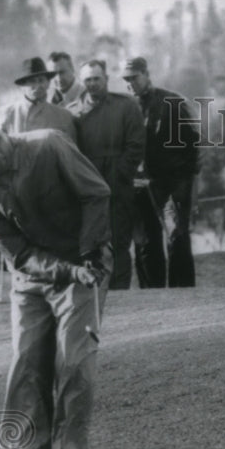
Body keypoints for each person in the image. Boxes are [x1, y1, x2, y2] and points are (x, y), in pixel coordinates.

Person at [0, 108, 112, 449]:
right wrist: (65, 270)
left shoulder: (49, 144)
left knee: (74, 361)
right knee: (26, 363)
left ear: (7, 132)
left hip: (83, 260)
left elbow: (96, 193)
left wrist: (87, 258)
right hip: (30, 276)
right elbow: (21, 255)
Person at [121, 57, 200, 288]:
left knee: (177, 239)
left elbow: (192, 146)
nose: (130, 84)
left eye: (134, 78)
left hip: (171, 185)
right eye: (126, 80)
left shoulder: (171, 102)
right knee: (145, 245)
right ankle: (151, 299)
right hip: (138, 188)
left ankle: (183, 297)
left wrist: (183, 184)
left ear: (146, 74)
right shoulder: (125, 107)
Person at [67, 59, 145, 290]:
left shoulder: (126, 106)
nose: (92, 84)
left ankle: (120, 293)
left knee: (119, 242)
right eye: (88, 80)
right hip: (85, 189)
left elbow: (136, 145)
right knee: (89, 241)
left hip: (117, 186)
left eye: (97, 79)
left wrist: (119, 174)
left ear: (106, 79)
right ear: (82, 82)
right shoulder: (72, 113)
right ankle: (92, 291)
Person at [0, 56, 77, 141]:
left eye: (41, 80)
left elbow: (69, 151)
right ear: (22, 86)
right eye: (32, 81)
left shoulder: (64, 117)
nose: (38, 86)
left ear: (48, 83)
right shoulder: (4, 116)